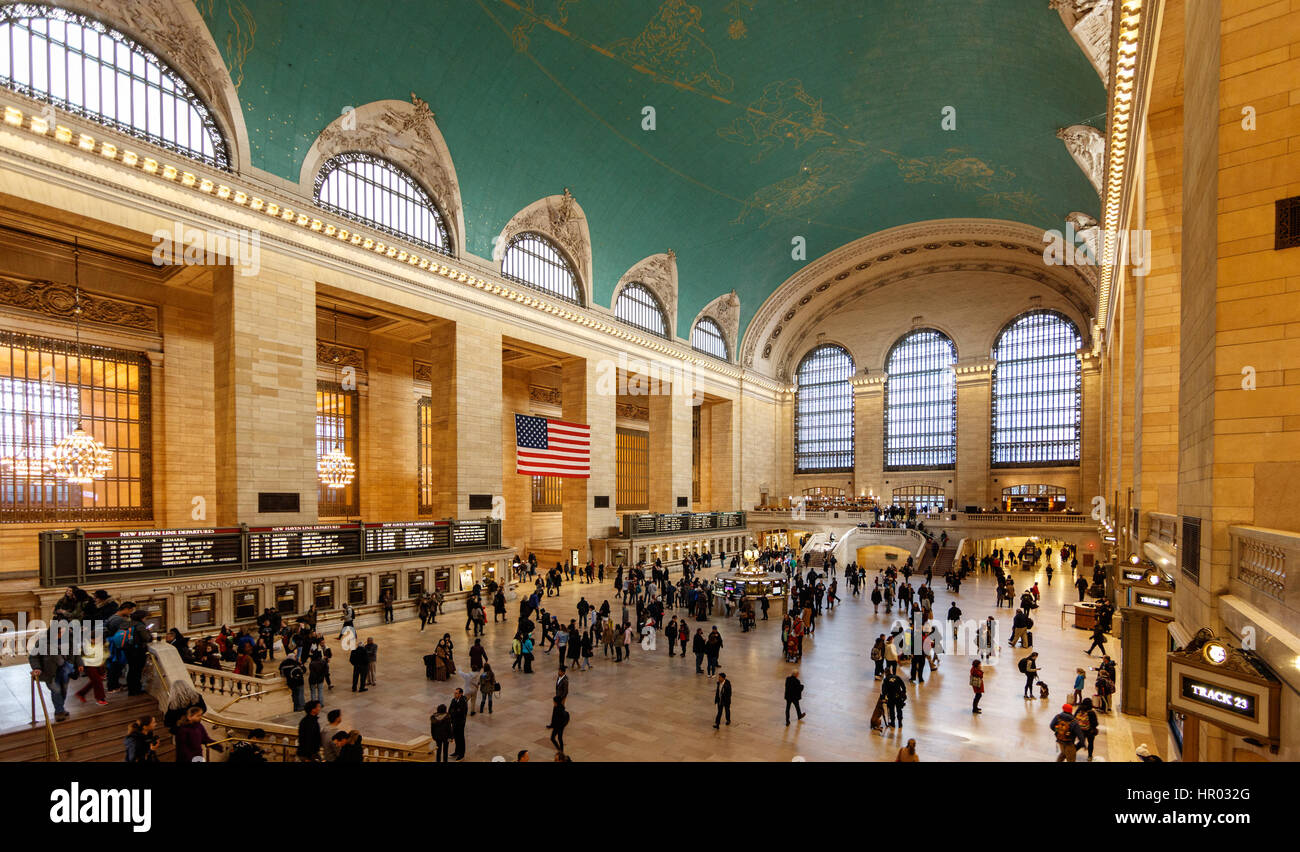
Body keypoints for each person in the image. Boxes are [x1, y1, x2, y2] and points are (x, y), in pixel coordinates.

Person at [28, 616, 82, 722]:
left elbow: (76, 653)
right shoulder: (43, 641)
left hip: (65, 670)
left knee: (64, 690)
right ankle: (59, 711)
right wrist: (37, 668)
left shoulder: (70, 638)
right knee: (56, 690)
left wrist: (79, 663)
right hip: (50, 671)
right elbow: (33, 656)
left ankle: (60, 708)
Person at [448, 687, 469, 760]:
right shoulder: (453, 700)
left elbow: (460, 713)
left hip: (460, 723)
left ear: (460, 694)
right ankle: (456, 752)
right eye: (454, 693)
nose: (454, 694)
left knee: (460, 739)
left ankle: (461, 754)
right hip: (454, 722)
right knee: (456, 738)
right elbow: (450, 710)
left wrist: (454, 711)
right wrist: (453, 712)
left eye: (456, 693)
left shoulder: (463, 702)